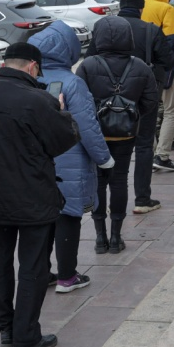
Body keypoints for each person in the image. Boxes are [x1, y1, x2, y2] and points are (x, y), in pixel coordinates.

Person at [0, 42, 80, 347]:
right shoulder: (39, 100)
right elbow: (62, 141)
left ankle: (6, 329)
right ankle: (27, 336)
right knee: (32, 267)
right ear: (32, 67)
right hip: (32, 197)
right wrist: (59, 111)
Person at [28, 21, 113, 295]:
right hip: (69, 161)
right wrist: (104, 159)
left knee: (42, 220)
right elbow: (87, 127)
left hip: (34, 163)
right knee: (68, 216)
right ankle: (67, 276)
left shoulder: (28, 80)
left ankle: (43, 273)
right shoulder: (73, 83)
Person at [76, 17, 159, 257]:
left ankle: (100, 237)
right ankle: (116, 236)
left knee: (98, 182)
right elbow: (151, 100)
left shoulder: (88, 65)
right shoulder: (140, 66)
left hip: (96, 135)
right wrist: (131, 116)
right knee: (119, 180)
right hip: (125, 135)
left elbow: (79, 100)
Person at [91, 0, 169, 214]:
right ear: (141, 6)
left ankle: (105, 201)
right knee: (144, 145)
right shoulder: (150, 30)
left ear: (120, 4)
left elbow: (92, 58)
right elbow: (167, 59)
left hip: (106, 100)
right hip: (142, 97)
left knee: (111, 144)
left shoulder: (103, 27)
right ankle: (142, 199)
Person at [140, 0, 174, 174]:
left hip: (140, 68)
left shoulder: (140, 7)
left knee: (147, 111)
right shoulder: (167, 8)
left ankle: (149, 153)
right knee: (172, 108)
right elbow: (172, 40)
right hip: (163, 67)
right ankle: (162, 155)